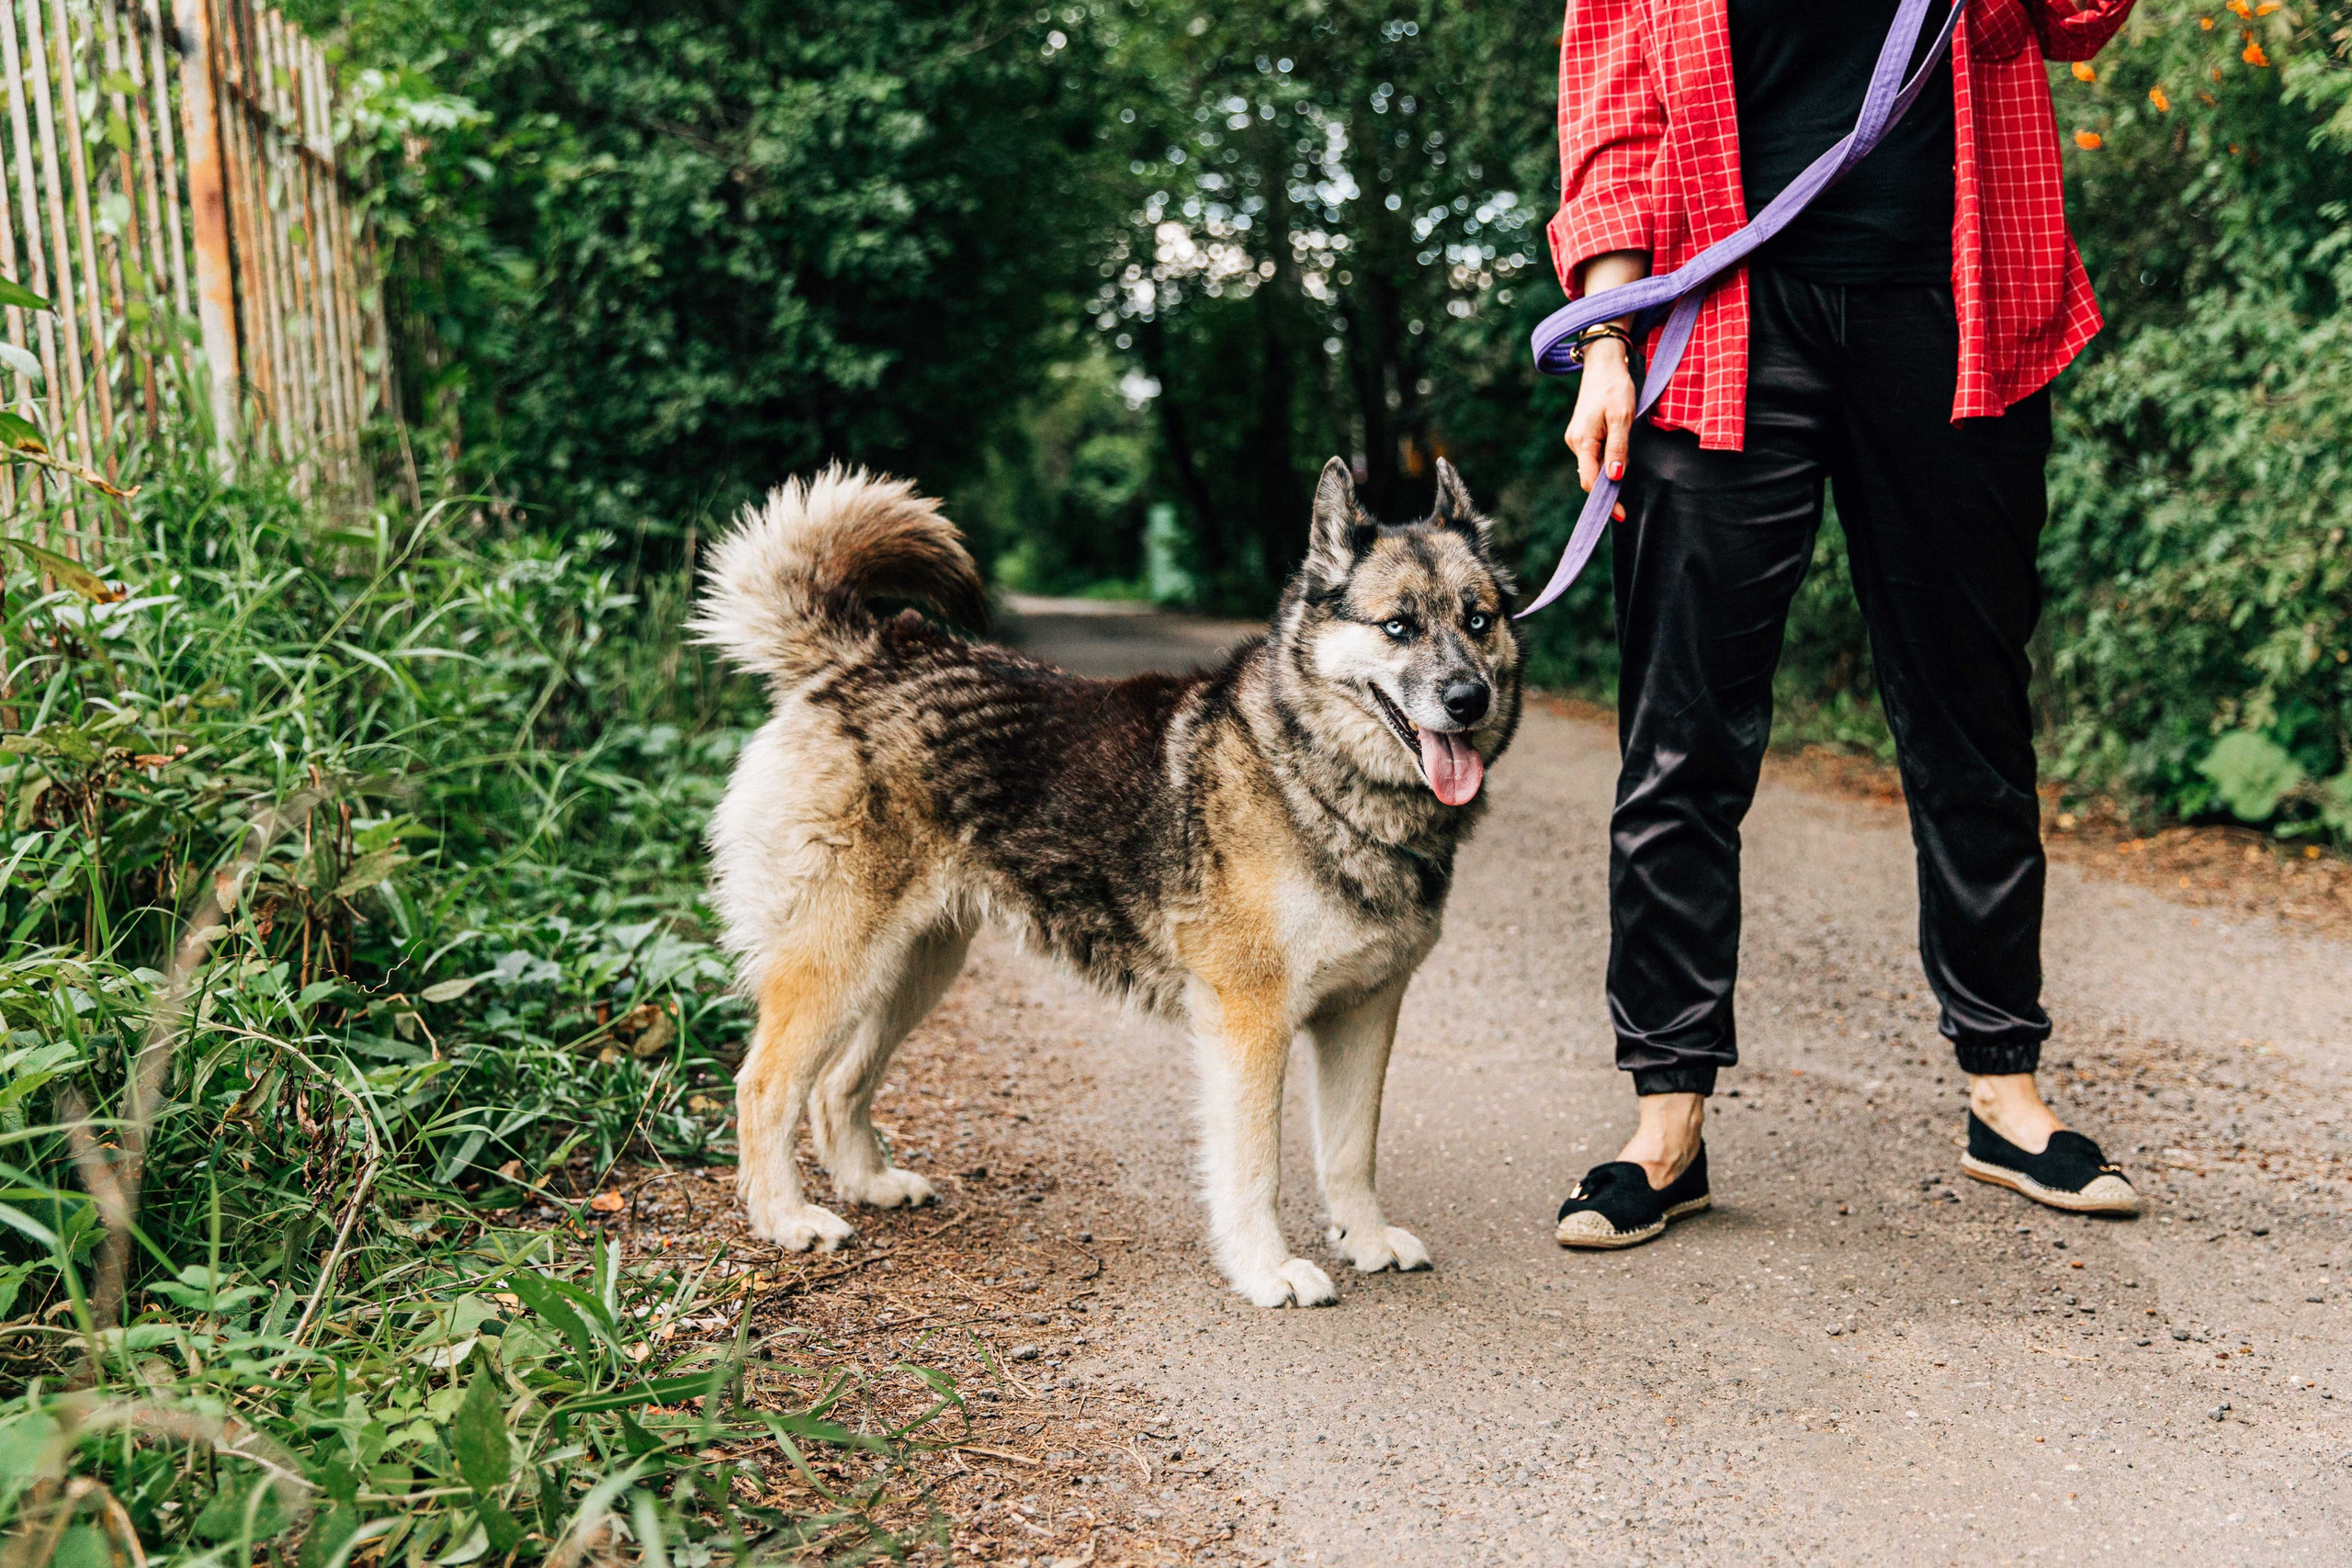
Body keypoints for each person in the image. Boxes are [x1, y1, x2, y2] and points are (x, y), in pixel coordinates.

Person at [1547, 0, 2144, 1249]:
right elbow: (1615, 122)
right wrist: (1607, 338)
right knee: (1683, 738)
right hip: (1716, 323)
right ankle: (1666, 1123)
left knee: (1968, 717)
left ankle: (2005, 1091)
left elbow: (2084, 19)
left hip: (1953, 313)